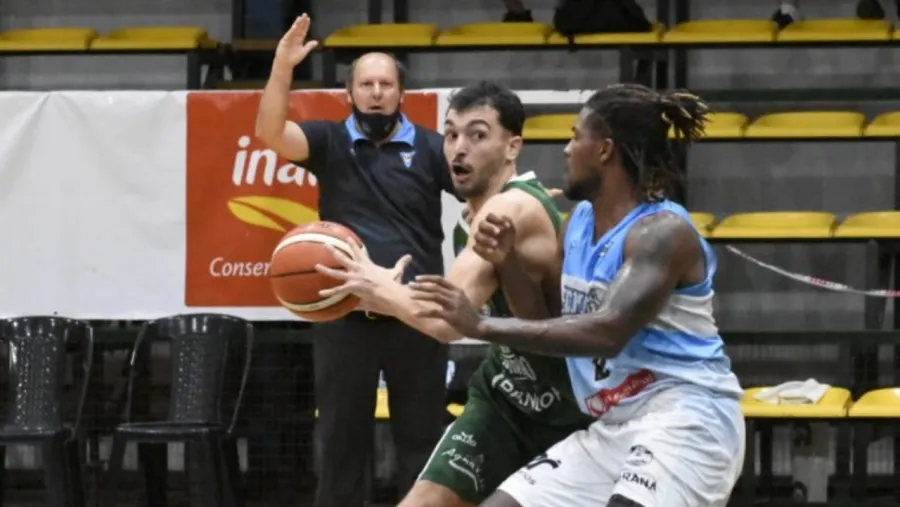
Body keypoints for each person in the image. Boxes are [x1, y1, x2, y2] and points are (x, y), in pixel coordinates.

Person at [407, 83, 746, 507]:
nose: (566, 149)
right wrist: (509, 263)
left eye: (575, 136)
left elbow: (606, 332)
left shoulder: (661, 233)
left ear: (604, 150)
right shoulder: (579, 223)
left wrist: (480, 326)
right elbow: (546, 324)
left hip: (687, 417)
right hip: (613, 424)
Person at [313, 81, 594, 507]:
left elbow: (444, 322)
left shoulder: (509, 208)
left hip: (565, 407)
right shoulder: (477, 211)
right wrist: (374, 290)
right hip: (504, 398)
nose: (459, 148)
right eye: (450, 134)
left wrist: (372, 285)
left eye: (477, 135)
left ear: (512, 147)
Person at [255, 14, 456, 507]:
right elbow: (270, 133)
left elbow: (482, 190)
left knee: (422, 444)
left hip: (415, 312)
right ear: (349, 93)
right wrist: (282, 67)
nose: (376, 93)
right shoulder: (329, 142)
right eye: (366, 84)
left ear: (401, 93)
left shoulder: (433, 147)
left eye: (386, 84)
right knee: (341, 445)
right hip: (344, 314)